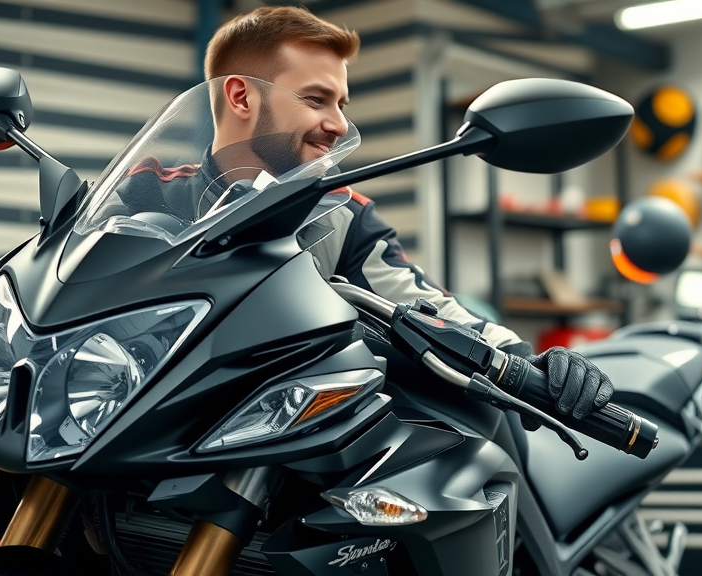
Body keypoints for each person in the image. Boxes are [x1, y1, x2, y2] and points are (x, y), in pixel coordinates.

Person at [181, 6, 615, 424]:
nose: (337, 124)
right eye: (316, 100)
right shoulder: (146, 193)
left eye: (341, 105)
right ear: (241, 97)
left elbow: (423, 304)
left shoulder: (341, 214)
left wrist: (526, 361)